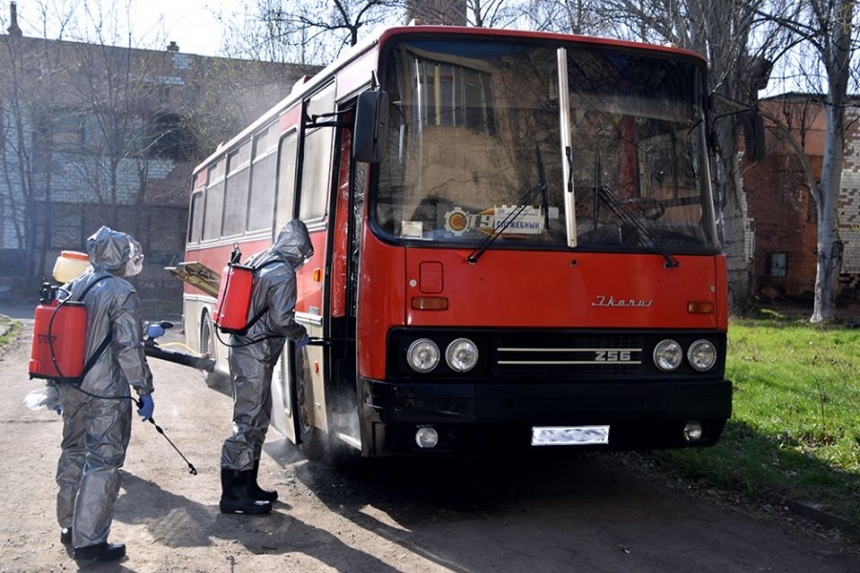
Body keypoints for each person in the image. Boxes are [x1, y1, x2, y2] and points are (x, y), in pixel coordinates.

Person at [54, 225, 155, 562]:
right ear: (120, 256)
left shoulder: (73, 285)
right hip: (105, 393)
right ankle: (90, 542)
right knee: (103, 462)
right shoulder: (121, 291)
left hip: (71, 385)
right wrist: (143, 388)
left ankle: (69, 526)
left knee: (73, 453)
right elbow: (128, 348)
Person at [220, 219, 313, 515]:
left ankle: (248, 485)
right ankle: (234, 494)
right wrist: (300, 335)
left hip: (246, 348)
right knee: (247, 420)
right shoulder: (283, 272)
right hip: (255, 351)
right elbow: (282, 320)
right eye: (304, 255)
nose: (302, 262)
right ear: (298, 250)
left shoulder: (260, 258)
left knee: (257, 417)